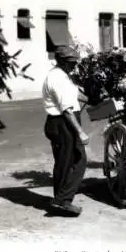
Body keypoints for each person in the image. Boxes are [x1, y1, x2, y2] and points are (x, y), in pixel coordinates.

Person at [42, 45, 89, 217]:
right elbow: (67, 109)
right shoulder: (57, 79)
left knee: (68, 162)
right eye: (72, 62)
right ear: (62, 61)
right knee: (75, 160)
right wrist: (81, 132)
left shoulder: (63, 76)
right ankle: (62, 200)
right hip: (62, 123)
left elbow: (75, 94)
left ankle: (62, 199)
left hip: (65, 122)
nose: (75, 66)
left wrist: (93, 100)